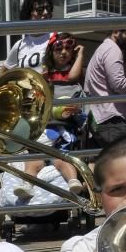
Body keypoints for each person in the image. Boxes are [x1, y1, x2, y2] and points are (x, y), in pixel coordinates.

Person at [12, 31, 87, 201]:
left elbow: (73, 76)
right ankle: (27, 185)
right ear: (51, 53)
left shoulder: (74, 80)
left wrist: (80, 53)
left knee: (62, 161)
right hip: (44, 130)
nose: (63, 52)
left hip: (64, 132)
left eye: (69, 49)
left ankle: (73, 181)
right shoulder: (44, 78)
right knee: (33, 162)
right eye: (59, 49)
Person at [83, 30, 126, 150]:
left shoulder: (101, 50)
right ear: (116, 32)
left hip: (98, 119)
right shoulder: (113, 49)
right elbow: (118, 83)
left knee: (102, 165)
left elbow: (87, 87)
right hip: (112, 121)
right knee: (120, 162)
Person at [2, 0, 55, 73]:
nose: (45, 12)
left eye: (48, 8)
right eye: (40, 10)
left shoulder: (57, 38)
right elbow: (2, 74)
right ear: (29, 14)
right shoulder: (19, 45)